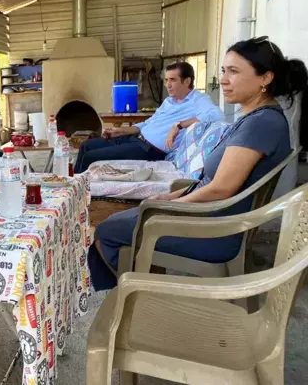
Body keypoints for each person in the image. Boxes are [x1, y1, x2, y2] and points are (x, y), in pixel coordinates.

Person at [89, 36, 307, 291]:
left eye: (234, 71)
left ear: (265, 78)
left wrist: (170, 207)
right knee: (124, 219)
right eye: (224, 70)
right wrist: (169, 199)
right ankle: (135, 285)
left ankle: (130, 294)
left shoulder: (261, 124)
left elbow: (220, 189)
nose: (223, 79)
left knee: (106, 230)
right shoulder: (256, 118)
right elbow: (211, 182)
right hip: (208, 216)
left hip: (213, 231)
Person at [74, 61, 224, 173]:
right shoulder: (168, 101)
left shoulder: (198, 100)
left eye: (173, 80)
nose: (168, 85)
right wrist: (122, 131)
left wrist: (178, 125)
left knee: (91, 157)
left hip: (149, 150)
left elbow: (216, 116)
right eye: (166, 80)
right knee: (86, 146)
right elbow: (149, 122)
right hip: (135, 139)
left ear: (187, 81)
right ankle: (72, 188)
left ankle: (80, 195)